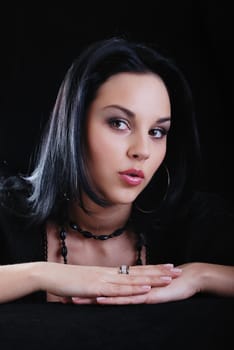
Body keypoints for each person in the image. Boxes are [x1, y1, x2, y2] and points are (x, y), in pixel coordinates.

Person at [0, 36, 233, 305]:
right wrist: (39, 274)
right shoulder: (9, 216)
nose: (142, 150)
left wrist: (200, 275)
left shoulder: (193, 222)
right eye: (119, 123)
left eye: (157, 132)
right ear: (73, 126)